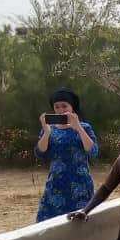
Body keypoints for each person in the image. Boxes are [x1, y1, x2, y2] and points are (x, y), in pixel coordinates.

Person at [35, 88, 99, 221]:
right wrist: (46, 132)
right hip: (56, 184)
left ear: (72, 107)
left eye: (64, 106)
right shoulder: (49, 129)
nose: (61, 110)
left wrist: (78, 128)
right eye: (57, 107)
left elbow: (93, 151)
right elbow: (40, 153)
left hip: (80, 185)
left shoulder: (85, 127)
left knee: (80, 224)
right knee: (50, 224)